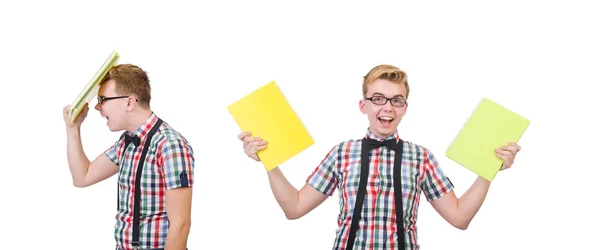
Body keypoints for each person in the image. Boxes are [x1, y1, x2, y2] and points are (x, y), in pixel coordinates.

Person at [238, 64, 521, 249]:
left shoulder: (421, 157)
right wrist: (269, 162)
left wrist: (489, 169)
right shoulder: (342, 153)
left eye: (396, 100)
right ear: (364, 105)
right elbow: (295, 208)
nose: (387, 107)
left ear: (405, 107)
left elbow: (459, 218)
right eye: (378, 98)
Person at [63, 64, 195, 250]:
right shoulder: (126, 142)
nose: (98, 107)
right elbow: (82, 177)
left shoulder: (169, 145)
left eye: (103, 99)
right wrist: (73, 128)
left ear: (129, 102)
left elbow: (180, 226)